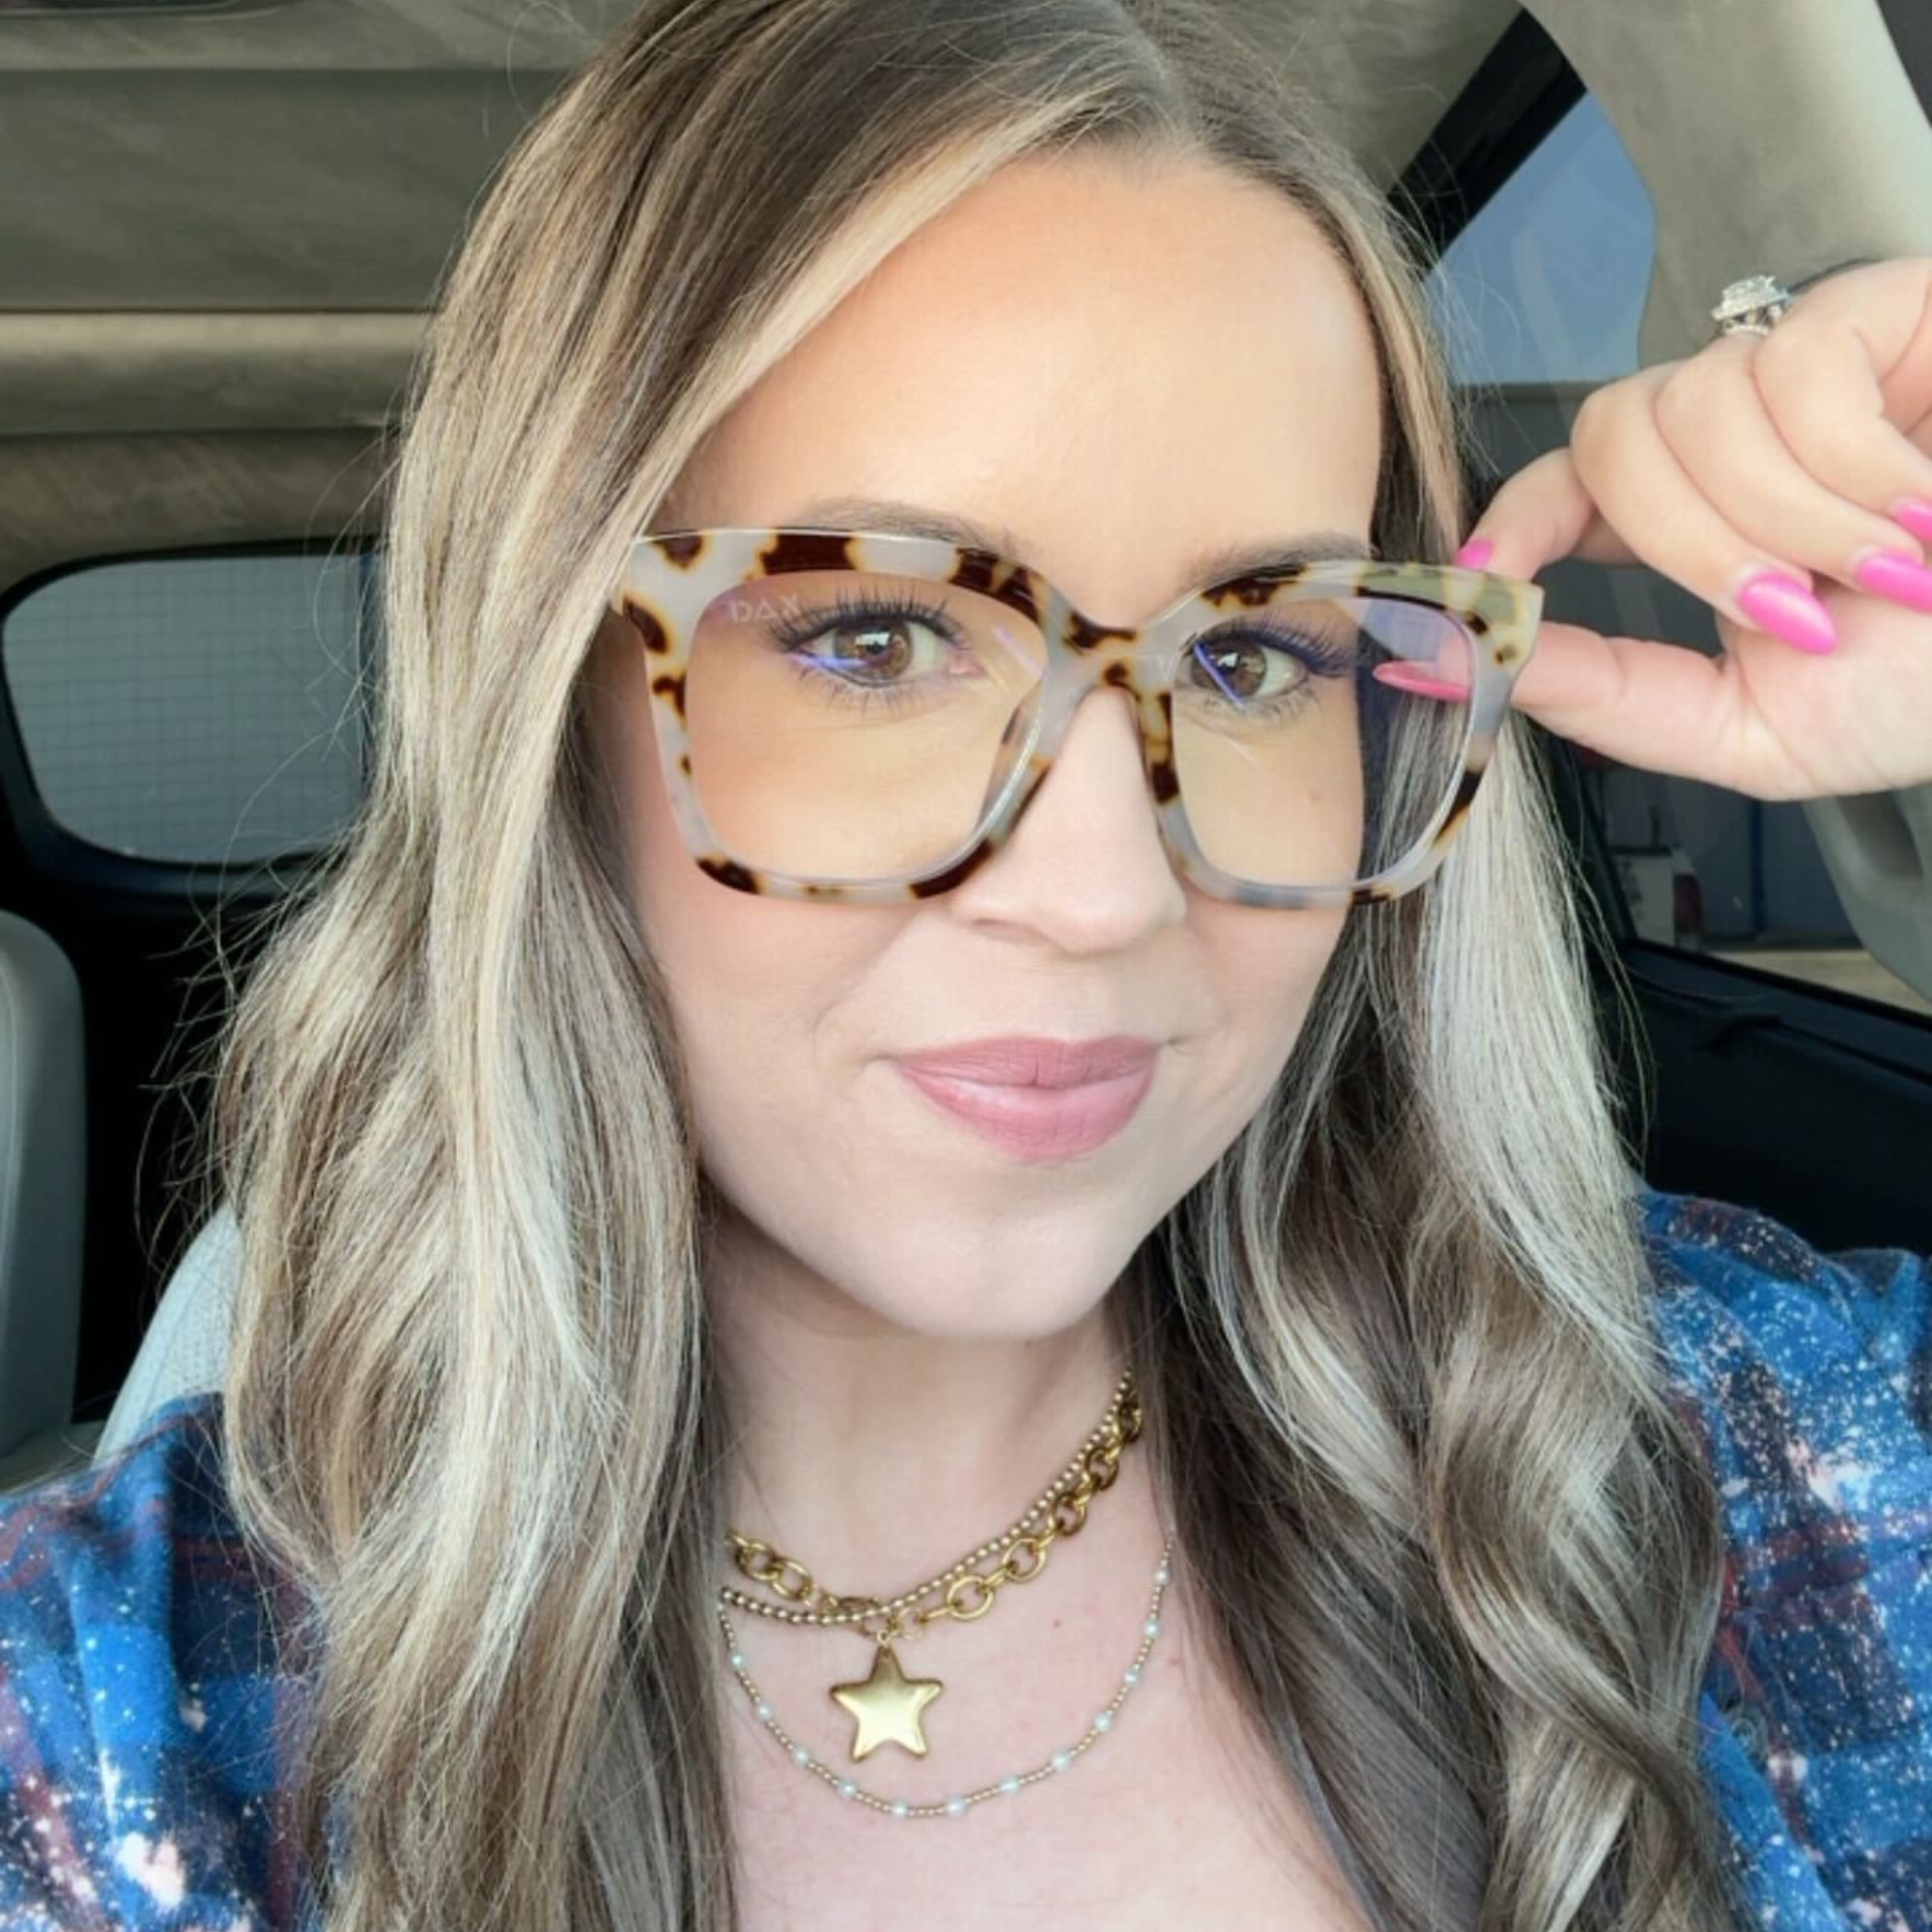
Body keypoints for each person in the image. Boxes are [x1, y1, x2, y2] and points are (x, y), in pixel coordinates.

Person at [2, 1, 1929, 1927]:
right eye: (873, 641)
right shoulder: (113, 1715)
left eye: (1253, 659)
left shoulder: (1750, 1455)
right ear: (547, 706)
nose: (1100, 894)